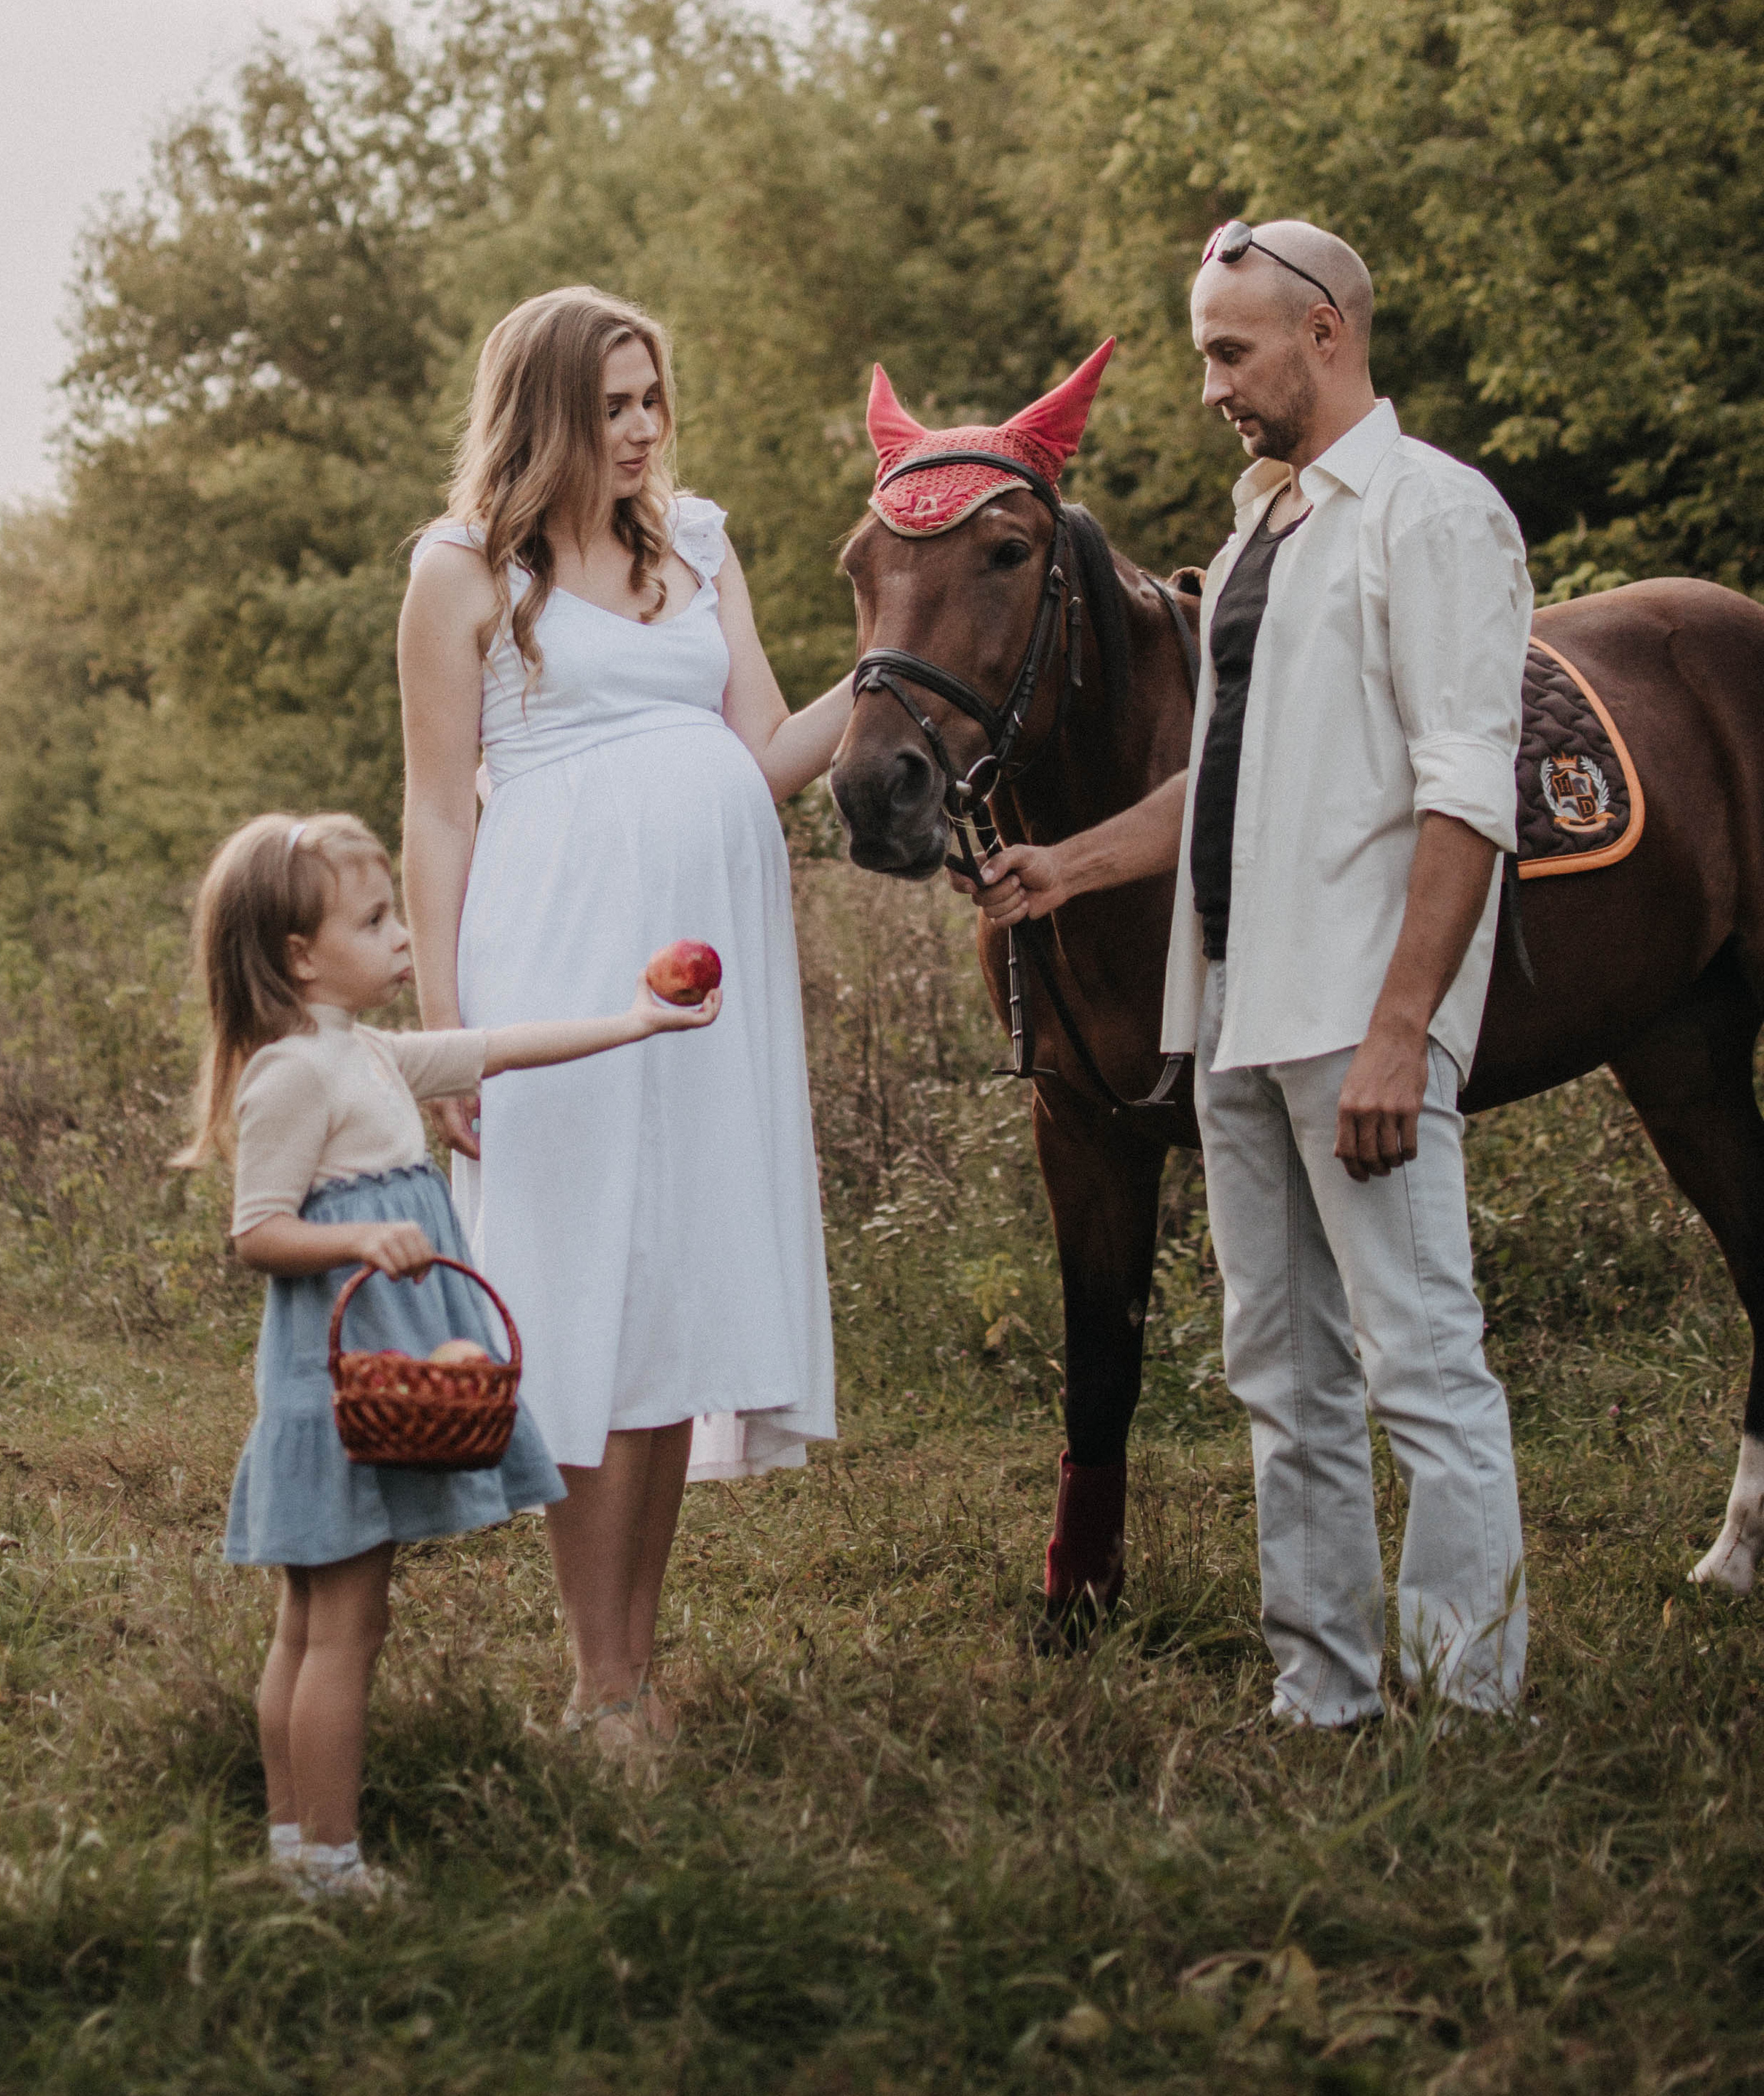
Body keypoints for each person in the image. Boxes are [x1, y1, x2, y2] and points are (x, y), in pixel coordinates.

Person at [965, 221, 1532, 1724]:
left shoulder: (1432, 516)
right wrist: (1063, 869)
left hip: (1356, 1022)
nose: (1209, 381)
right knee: (1279, 1381)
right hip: (1231, 1020)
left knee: (1419, 1367)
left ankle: (1464, 1702)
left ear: (1326, 329)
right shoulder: (1256, 537)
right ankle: (1322, 1691)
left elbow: (1470, 792)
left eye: (1231, 349)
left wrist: (1400, 1032)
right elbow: (1214, 776)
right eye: (1203, 350)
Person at [398, 285, 847, 1772]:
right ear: (546, 416)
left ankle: (632, 1671)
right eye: (614, 407)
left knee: (669, 1299)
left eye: (655, 398)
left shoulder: (697, 542)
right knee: (584, 1296)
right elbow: (437, 808)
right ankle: (598, 1687)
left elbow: (767, 753)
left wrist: (898, 664)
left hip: (707, 989)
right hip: (556, 965)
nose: (646, 429)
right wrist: (446, 1031)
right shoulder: (461, 572)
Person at [177, 808, 718, 1893]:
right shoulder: (294, 1073)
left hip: (380, 1385)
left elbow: (501, 1049)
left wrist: (638, 1022)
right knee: (340, 1629)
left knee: (316, 1621)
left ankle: (296, 1846)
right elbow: (256, 1230)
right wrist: (357, 1235)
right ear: (299, 956)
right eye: (375, 922)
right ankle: (327, 1859)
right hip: (338, 1395)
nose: (404, 939)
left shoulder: (364, 1052)